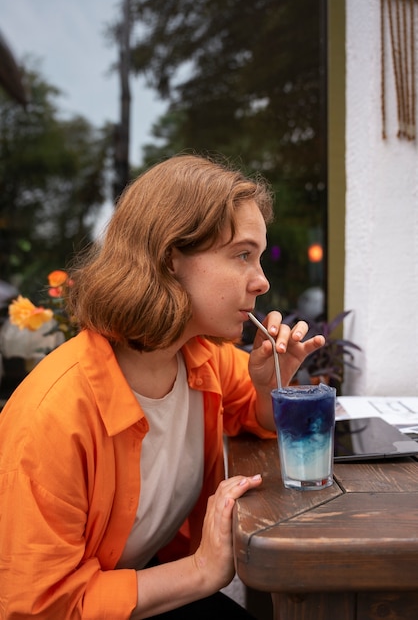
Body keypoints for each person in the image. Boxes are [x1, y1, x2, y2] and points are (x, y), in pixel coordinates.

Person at [0, 154, 324, 619]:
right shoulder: (52, 419)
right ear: (171, 257)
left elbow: (258, 419)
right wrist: (202, 571)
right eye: (241, 255)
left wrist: (272, 382)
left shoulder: (200, 356)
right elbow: (40, 608)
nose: (262, 280)